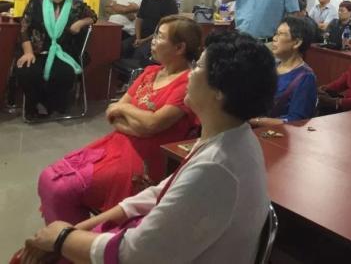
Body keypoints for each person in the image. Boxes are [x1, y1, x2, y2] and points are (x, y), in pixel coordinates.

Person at [16, 31, 274, 264]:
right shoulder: (231, 136)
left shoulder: (216, 168)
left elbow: (134, 255)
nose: (191, 73)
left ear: (220, 91)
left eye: (199, 66)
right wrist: (79, 229)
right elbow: (163, 191)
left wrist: (62, 238)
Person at [37, 16, 202, 225]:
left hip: (145, 158)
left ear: (179, 48)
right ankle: (71, 240)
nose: (152, 41)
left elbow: (152, 123)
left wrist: (125, 109)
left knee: (61, 187)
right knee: (49, 178)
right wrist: (138, 124)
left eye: (160, 37)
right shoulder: (150, 72)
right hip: (117, 144)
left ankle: (76, 239)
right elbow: (113, 114)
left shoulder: (186, 83)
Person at [15, 0, 97, 118]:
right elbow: (24, 27)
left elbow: (93, 16)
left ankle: (51, 105)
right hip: (36, 51)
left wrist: (80, 23)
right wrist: (28, 52)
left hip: (62, 52)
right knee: (27, 71)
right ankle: (35, 105)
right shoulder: (37, 1)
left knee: (64, 74)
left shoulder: (76, 5)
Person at [250, 17, 317, 126]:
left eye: (280, 34)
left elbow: (297, 121)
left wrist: (256, 121)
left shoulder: (305, 77)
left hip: (277, 133)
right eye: (275, 34)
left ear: (297, 43)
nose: (274, 38)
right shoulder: (272, 66)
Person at [123, 0, 178, 64]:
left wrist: (143, 41)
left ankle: (138, 72)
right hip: (141, 36)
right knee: (123, 46)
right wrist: (138, 38)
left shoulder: (170, 3)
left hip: (157, 38)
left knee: (139, 52)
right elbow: (139, 19)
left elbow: (164, 29)